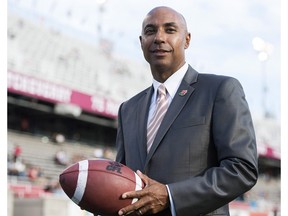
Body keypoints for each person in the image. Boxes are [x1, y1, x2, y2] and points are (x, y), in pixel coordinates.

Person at [115, 6, 258, 216]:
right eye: (150, 31)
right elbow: (121, 177)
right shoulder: (128, 109)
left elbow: (242, 169)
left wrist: (171, 195)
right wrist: (95, 195)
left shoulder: (220, 90)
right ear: (141, 41)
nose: (159, 38)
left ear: (187, 40)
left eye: (170, 30)